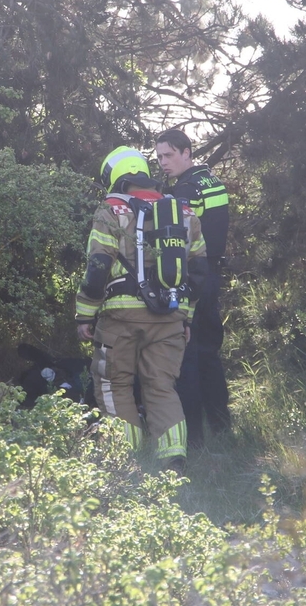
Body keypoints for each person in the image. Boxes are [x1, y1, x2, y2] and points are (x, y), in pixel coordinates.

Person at [76, 146, 209, 472]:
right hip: (170, 318)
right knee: (161, 387)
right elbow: (199, 272)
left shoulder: (111, 210)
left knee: (114, 385)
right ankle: (173, 462)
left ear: (113, 177)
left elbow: (98, 266)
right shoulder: (184, 212)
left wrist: (85, 313)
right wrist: (186, 317)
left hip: (120, 318)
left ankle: (125, 465)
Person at [155, 129, 231, 449]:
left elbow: (179, 242)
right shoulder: (212, 181)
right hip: (213, 274)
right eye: (159, 156)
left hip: (194, 277)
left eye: (168, 155)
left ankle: (194, 437)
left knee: (188, 355)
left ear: (187, 152)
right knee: (210, 353)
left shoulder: (185, 189)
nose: (163, 162)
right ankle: (222, 427)